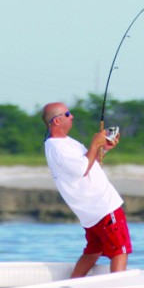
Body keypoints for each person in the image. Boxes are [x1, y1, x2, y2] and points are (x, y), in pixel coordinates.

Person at [42, 102, 131, 277]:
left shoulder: (65, 143)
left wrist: (103, 149)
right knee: (120, 250)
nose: (72, 116)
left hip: (92, 211)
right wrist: (94, 144)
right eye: (67, 114)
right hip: (102, 206)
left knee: (93, 251)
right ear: (57, 121)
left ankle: (71, 286)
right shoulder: (57, 148)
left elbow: (88, 163)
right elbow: (82, 169)